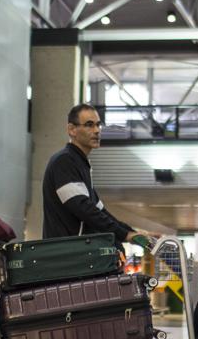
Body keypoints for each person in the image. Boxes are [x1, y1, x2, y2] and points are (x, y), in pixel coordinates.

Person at [42, 104, 154, 249]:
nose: (96, 130)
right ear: (72, 129)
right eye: (89, 125)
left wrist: (130, 233)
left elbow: (100, 211)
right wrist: (124, 234)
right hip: (64, 255)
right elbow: (84, 209)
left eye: (98, 125)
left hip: (75, 252)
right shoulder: (64, 161)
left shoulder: (81, 163)